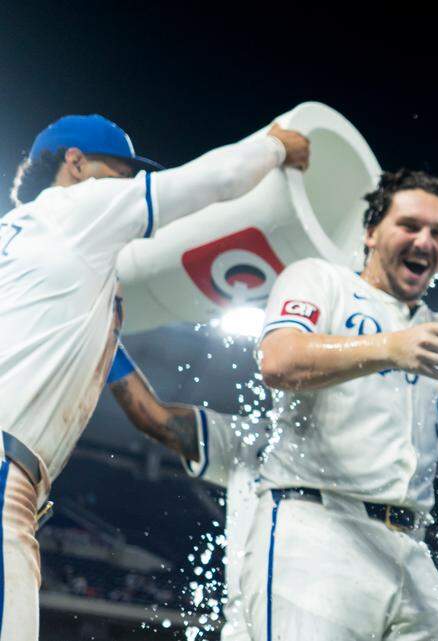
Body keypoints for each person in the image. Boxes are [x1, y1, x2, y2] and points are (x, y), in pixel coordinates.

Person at [1, 113, 309, 641]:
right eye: (120, 172)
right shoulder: (76, 207)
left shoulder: (25, 244)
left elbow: (136, 401)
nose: (126, 186)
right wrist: (276, 146)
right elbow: (218, 179)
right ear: (74, 163)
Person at [243, 168, 438, 641]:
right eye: (410, 226)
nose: (424, 240)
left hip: (408, 545)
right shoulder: (321, 279)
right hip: (317, 526)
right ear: (369, 232)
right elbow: (278, 361)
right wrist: (388, 348)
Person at [106, 343, 264, 641]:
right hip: (253, 627)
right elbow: (154, 418)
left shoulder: (362, 454)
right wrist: (108, 343)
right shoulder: (253, 438)